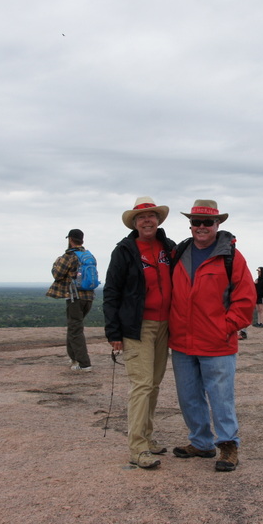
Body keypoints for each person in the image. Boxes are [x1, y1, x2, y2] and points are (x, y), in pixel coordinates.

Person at [169, 199, 255, 472]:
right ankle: (201, 442)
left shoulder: (231, 257)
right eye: (197, 222)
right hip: (182, 340)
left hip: (217, 342)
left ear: (218, 225)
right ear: (190, 224)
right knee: (188, 396)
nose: (202, 227)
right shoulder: (180, 252)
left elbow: (245, 299)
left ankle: (228, 446)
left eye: (208, 222)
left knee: (221, 397)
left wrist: (224, 327)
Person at [103, 196, 176, 470]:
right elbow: (111, 292)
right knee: (142, 384)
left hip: (165, 325)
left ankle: (147, 437)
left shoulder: (168, 247)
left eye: (152, 216)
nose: (147, 220)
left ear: (158, 220)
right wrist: (114, 332)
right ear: (134, 223)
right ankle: (137, 448)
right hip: (137, 326)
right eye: (142, 217)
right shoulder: (124, 250)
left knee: (154, 384)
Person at [46, 229, 94, 372]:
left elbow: (57, 274)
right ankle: (73, 358)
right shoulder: (89, 255)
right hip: (89, 297)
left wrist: (56, 262)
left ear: (70, 239)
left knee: (75, 329)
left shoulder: (70, 256)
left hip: (75, 297)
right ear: (82, 240)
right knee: (74, 327)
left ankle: (84, 364)